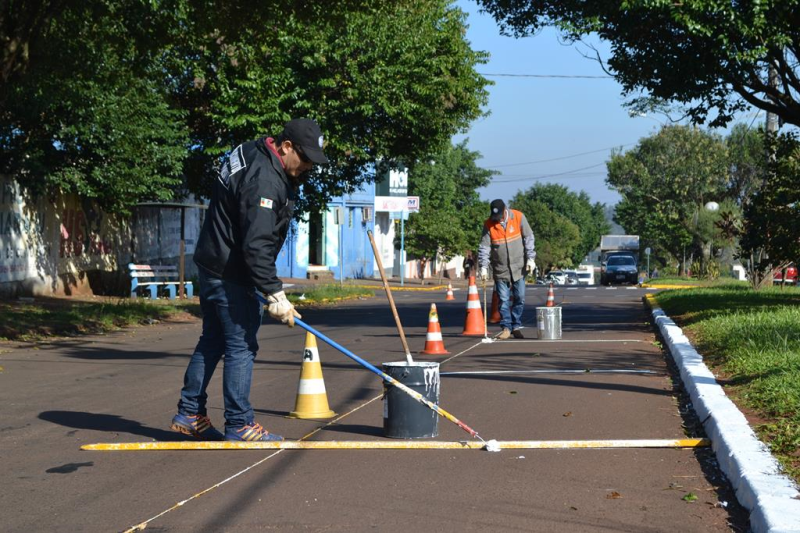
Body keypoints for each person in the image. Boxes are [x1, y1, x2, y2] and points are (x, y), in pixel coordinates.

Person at [171, 118, 328, 442]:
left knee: (213, 340)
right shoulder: (266, 182)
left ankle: (190, 412)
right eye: (305, 158)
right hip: (232, 273)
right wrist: (274, 293)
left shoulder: (250, 151)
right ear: (286, 147)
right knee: (241, 346)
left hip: (212, 264)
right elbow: (256, 244)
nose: (308, 166)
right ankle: (240, 423)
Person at [477, 199, 536, 339]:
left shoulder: (518, 217)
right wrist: (483, 267)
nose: (498, 219)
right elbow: (484, 247)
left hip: (518, 267)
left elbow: (528, 238)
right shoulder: (489, 224)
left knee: (519, 297)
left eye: (500, 216)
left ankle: (515, 326)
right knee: (503, 299)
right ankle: (506, 328)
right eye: (495, 217)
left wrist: (531, 258)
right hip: (500, 268)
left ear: (505, 210)